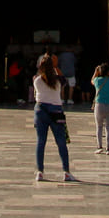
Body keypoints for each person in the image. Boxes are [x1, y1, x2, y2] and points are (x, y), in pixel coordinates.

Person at [30, 52, 76, 183]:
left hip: (41, 110)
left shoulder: (37, 80)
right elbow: (64, 80)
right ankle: (66, 172)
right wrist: (55, 66)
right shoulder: (57, 81)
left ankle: (40, 172)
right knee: (61, 142)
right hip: (56, 110)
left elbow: (41, 77)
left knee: (41, 141)